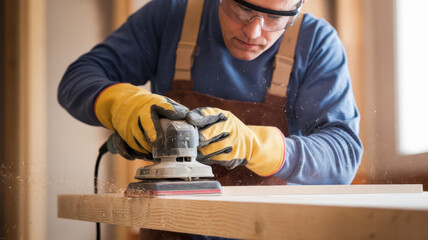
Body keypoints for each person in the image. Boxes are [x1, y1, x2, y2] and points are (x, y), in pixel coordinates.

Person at [58, 0, 363, 238]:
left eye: (274, 17)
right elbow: (77, 79)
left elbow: (343, 155)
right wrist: (122, 104)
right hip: (170, 231)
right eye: (243, 9)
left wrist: (259, 147)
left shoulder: (315, 43)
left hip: (274, 232)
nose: (253, 32)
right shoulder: (171, 16)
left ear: (299, 8)